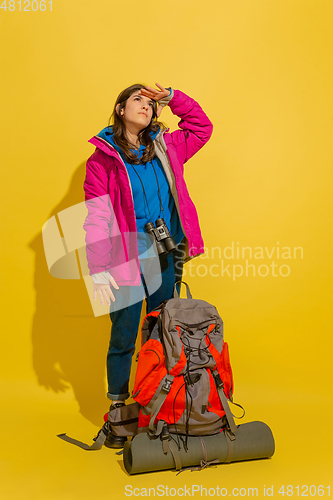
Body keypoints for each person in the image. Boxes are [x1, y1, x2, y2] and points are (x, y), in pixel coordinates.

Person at [83, 82, 213, 447]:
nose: (145, 105)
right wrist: (98, 268)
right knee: (124, 334)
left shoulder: (167, 147)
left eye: (149, 101)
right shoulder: (102, 161)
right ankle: (118, 414)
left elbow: (202, 127)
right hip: (125, 257)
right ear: (120, 110)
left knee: (163, 331)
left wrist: (173, 98)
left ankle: (160, 406)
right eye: (136, 99)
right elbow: (95, 217)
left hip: (165, 252)